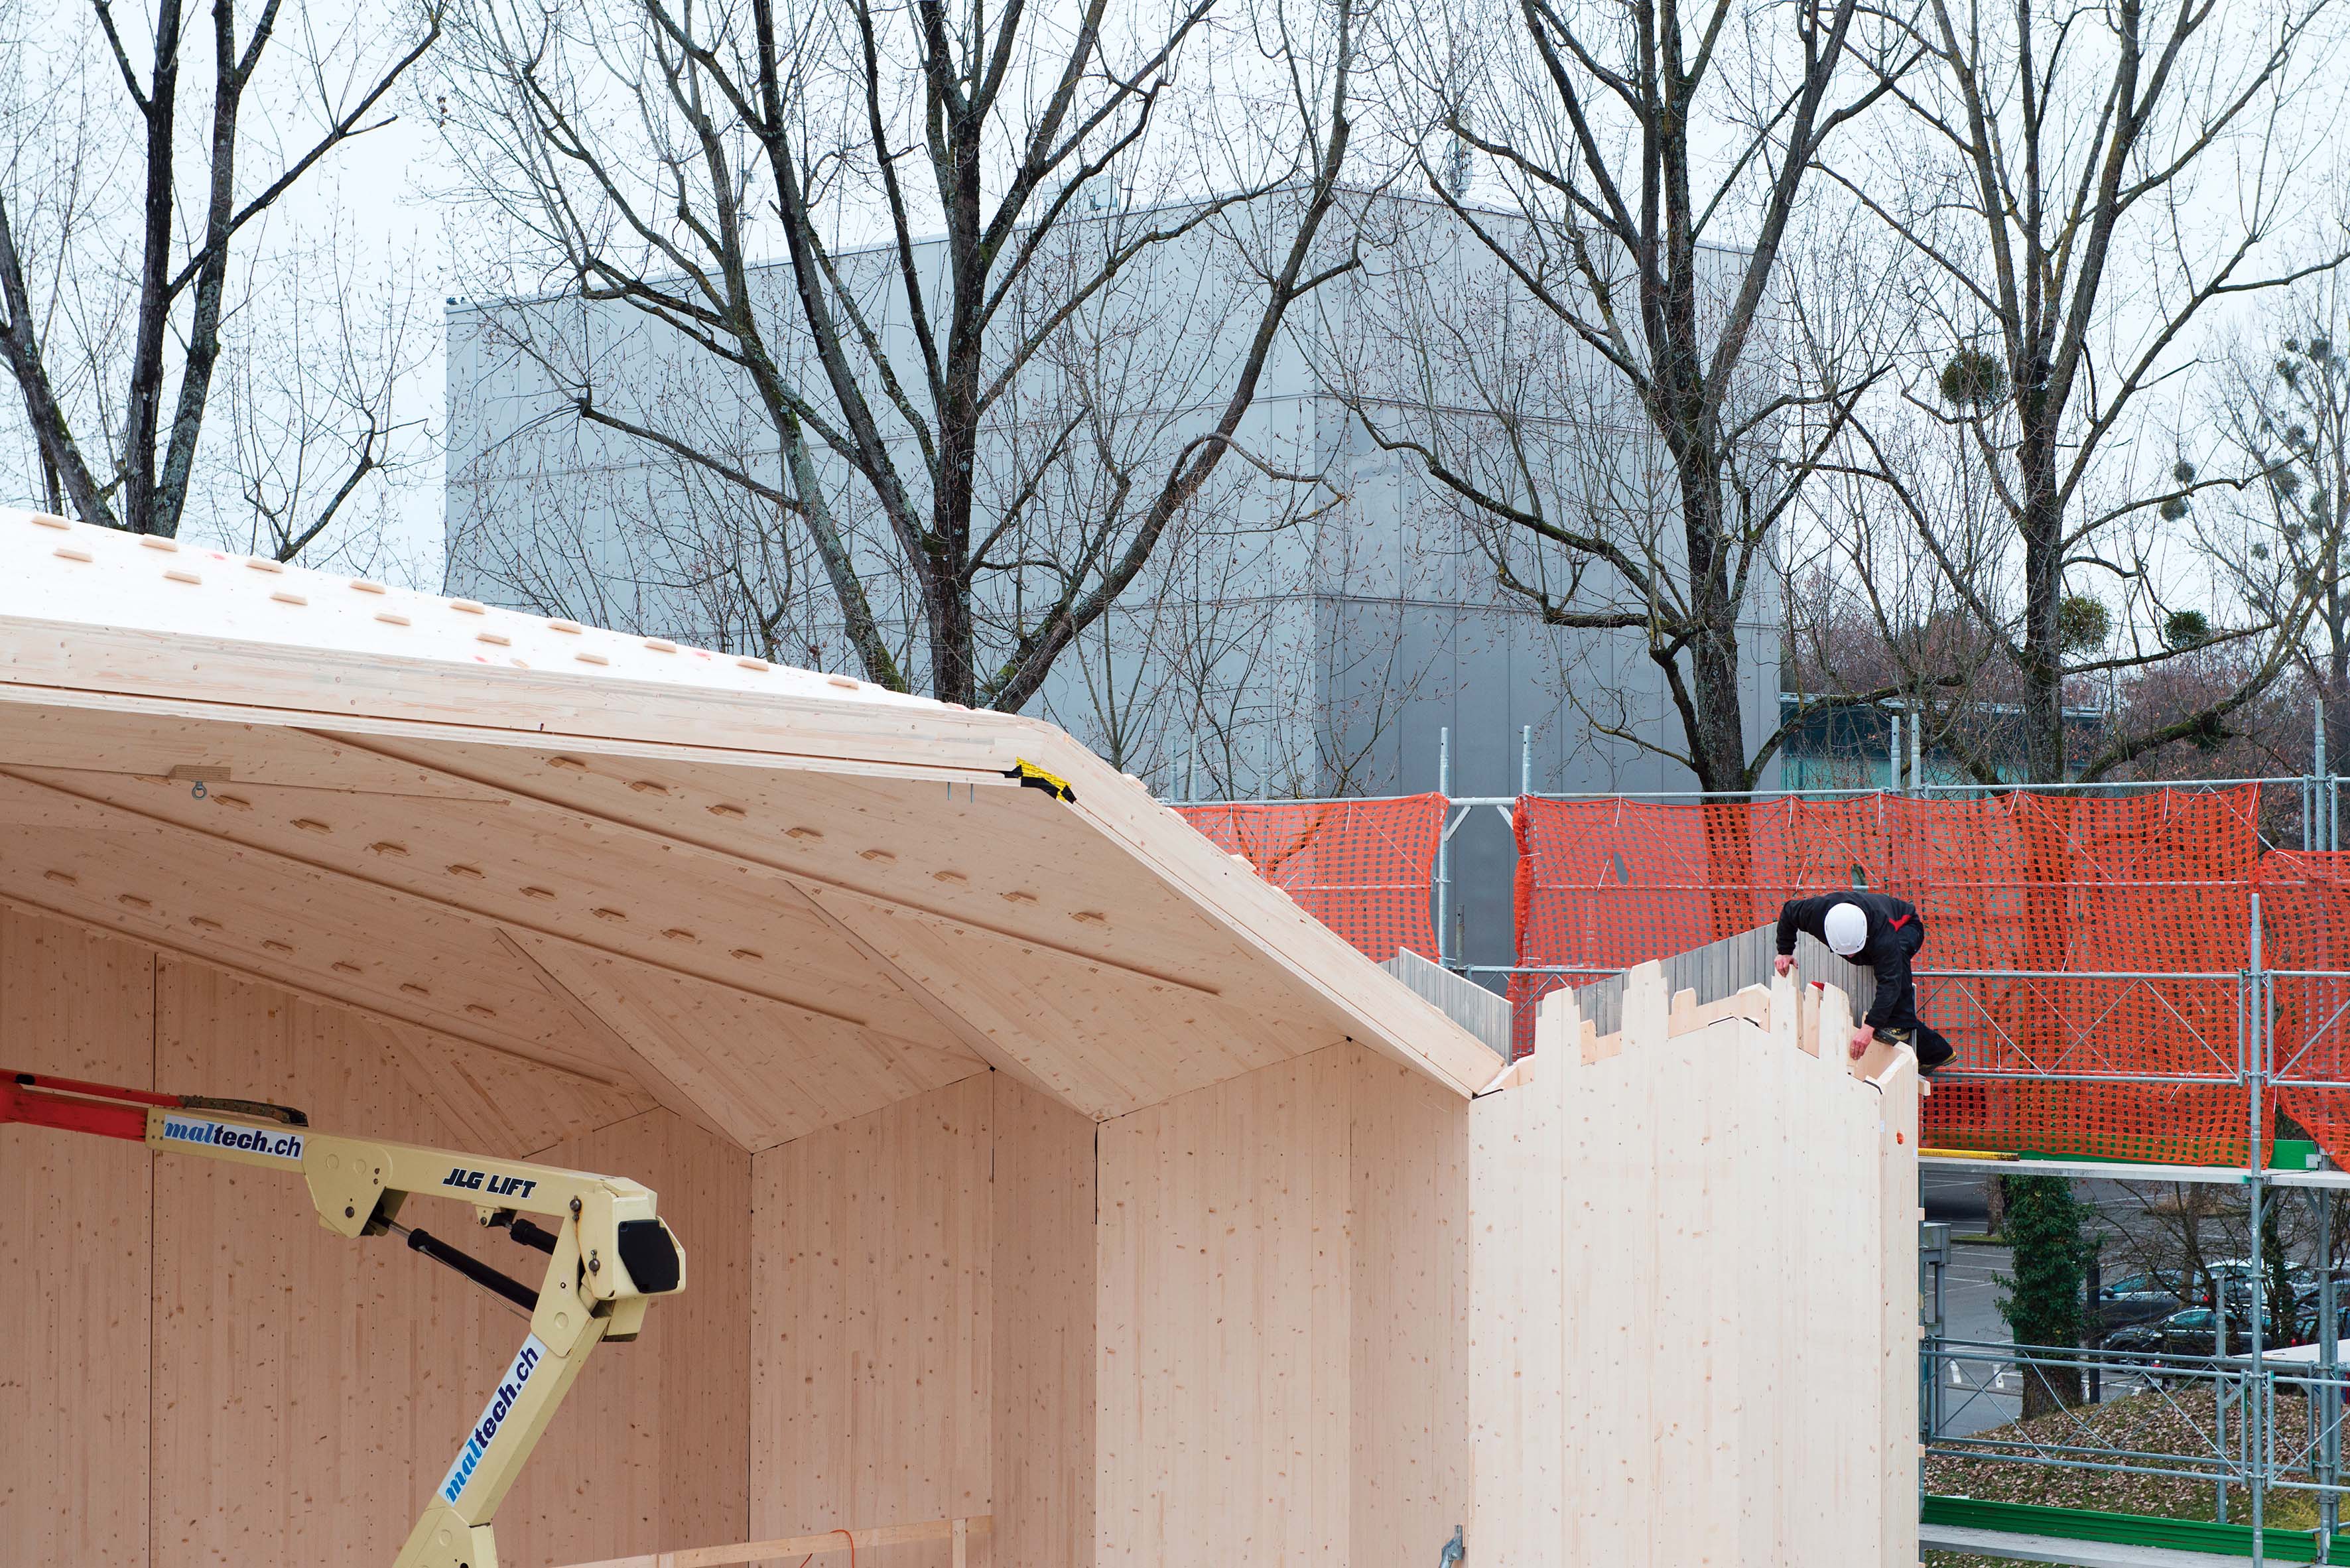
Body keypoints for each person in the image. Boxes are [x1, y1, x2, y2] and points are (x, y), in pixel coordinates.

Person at [1773, 889, 1956, 1073]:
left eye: (1854, 950)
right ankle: (1937, 1052)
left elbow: (1891, 982)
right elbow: (1789, 911)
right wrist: (1785, 951)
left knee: (1898, 959)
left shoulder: (1882, 932)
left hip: (1906, 926)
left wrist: (1869, 1027)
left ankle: (1902, 1026)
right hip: (1870, 932)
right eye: (1846, 952)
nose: (1851, 956)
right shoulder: (1814, 912)